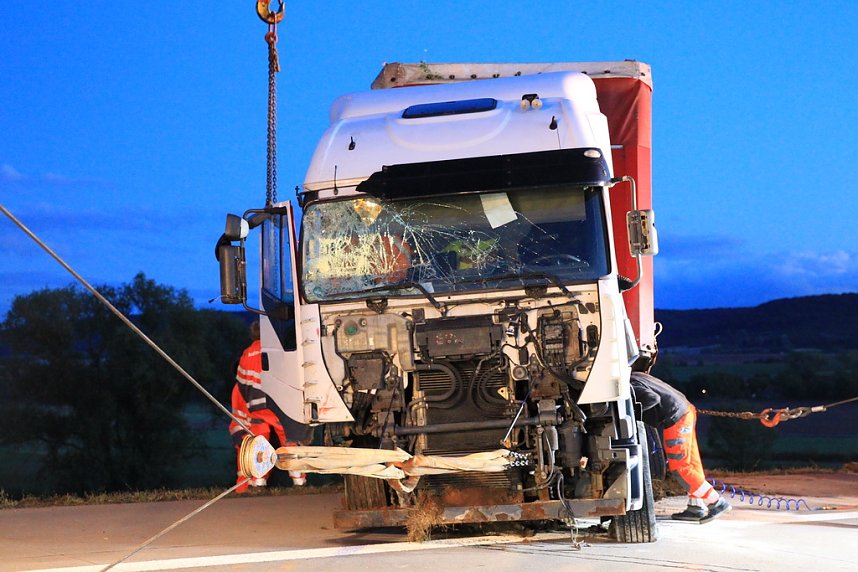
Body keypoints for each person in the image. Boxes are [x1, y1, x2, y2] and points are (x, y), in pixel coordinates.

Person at [630, 371, 731, 523]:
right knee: (692, 465)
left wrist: (632, 414)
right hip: (686, 410)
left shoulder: (629, 385)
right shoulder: (634, 375)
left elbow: (652, 398)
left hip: (676, 418)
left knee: (680, 467)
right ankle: (695, 506)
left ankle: (717, 502)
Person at [229, 321, 306, 492]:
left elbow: (242, 384)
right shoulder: (276, 350)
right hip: (277, 404)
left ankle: (258, 482)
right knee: (289, 439)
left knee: (259, 444)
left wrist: (251, 403)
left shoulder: (246, 354)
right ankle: (299, 481)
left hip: (255, 408)